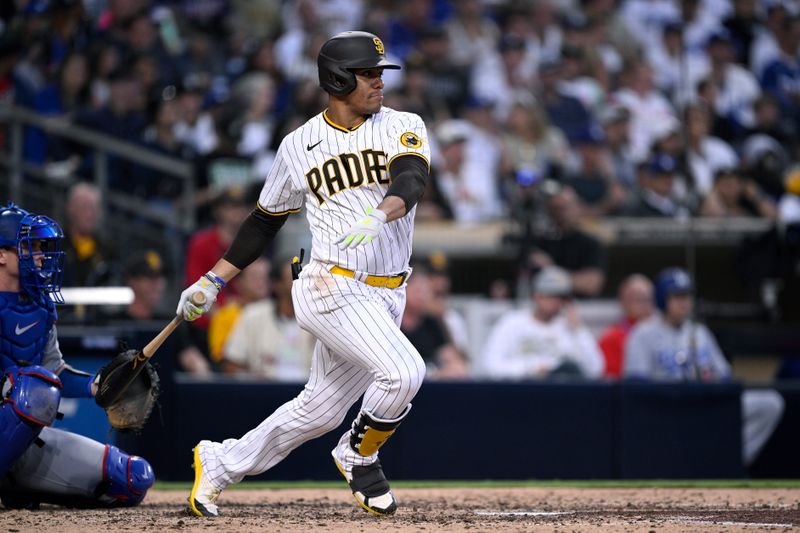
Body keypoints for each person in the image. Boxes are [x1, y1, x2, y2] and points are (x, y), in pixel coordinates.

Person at [178, 31, 430, 518]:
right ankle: (358, 454)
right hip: (329, 284)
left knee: (317, 412)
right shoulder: (299, 145)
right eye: (368, 73)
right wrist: (213, 280)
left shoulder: (402, 123)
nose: (380, 81)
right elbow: (265, 220)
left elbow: (412, 178)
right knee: (403, 372)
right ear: (337, 79)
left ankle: (219, 462)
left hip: (386, 291)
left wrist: (382, 212)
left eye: (381, 72)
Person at [0, 203, 154, 508]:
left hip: (19, 444)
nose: (41, 255)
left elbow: (53, 370)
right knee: (34, 388)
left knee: (133, 478)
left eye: (40, 247)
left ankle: (16, 485)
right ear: (2, 255)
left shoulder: (40, 306)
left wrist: (96, 386)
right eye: (29, 248)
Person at [623, 267, 785, 467]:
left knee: (769, 403)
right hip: (669, 410)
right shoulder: (643, 333)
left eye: (687, 296)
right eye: (677, 296)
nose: (684, 303)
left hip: (705, 404)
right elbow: (635, 386)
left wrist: (710, 384)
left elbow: (726, 378)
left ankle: (727, 462)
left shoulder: (700, 333)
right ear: (661, 299)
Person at [480, 266, 605, 380]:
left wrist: (578, 330)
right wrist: (532, 369)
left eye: (561, 297)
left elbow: (596, 368)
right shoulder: (512, 323)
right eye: (550, 295)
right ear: (536, 296)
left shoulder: (570, 327)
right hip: (522, 391)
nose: (556, 302)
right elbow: (490, 365)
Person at [221, 259, 315, 380]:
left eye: (305, 278)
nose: (301, 284)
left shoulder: (318, 318)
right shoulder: (252, 314)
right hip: (263, 393)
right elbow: (231, 364)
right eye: (295, 277)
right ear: (277, 285)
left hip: (308, 392)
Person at [598, 274, 655, 379]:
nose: (646, 306)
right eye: (639, 300)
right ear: (624, 302)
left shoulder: (661, 333)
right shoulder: (611, 338)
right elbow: (611, 381)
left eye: (649, 300)